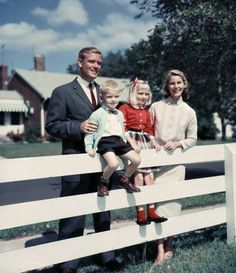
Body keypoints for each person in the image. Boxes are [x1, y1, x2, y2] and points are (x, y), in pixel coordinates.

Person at [45, 47, 123, 273]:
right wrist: (77, 127)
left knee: (103, 209)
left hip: (102, 161)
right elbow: (52, 125)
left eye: (99, 62)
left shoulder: (104, 91)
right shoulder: (62, 92)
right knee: (73, 211)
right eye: (91, 61)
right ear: (80, 62)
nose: (96, 66)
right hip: (75, 160)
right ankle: (68, 263)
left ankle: (106, 256)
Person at [149, 69, 197, 266]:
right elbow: (146, 130)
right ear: (167, 86)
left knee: (173, 205)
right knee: (156, 205)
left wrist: (178, 143)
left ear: (184, 85)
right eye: (172, 83)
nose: (176, 86)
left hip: (176, 164)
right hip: (156, 163)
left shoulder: (189, 111)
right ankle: (159, 248)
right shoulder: (155, 107)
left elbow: (193, 139)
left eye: (179, 83)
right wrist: (153, 143)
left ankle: (169, 244)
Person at [119, 78, 168, 225]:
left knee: (150, 177)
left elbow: (148, 129)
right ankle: (141, 212)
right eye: (140, 93)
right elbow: (122, 126)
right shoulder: (125, 108)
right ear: (133, 93)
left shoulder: (146, 112)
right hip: (132, 141)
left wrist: (154, 142)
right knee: (139, 177)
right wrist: (132, 142)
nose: (143, 96)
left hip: (146, 142)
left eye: (146, 94)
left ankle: (151, 210)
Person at [84, 79, 141, 197]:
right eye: (109, 97)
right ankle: (103, 183)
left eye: (116, 96)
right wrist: (89, 147)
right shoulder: (97, 114)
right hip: (105, 142)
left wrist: (129, 143)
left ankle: (124, 179)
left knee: (136, 160)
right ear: (101, 98)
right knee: (113, 164)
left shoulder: (119, 114)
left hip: (119, 141)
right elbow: (90, 132)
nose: (113, 100)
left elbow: (122, 130)